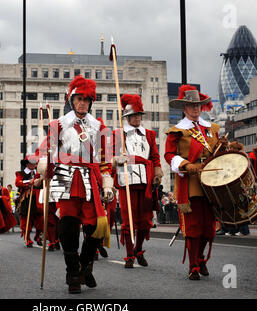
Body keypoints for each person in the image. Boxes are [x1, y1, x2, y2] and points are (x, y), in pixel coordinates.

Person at [37, 75, 113, 294]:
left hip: (90, 177)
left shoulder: (98, 126)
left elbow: (105, 158)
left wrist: (107, 183)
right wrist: (45, 160)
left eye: (86, 100)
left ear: (91, 102)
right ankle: (73, 274)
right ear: (72, 100)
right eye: (79, 99)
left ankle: (84, 265)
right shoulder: (57, 125)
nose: (82, 103)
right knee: (68, 226)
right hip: (65, 176)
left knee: (95, 228)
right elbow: (45, 151)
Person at [164, 85, 228, 280]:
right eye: (192, 106)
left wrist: (227, 147)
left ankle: (201, 258)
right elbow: (168, 155)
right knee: (193, 226)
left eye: (198, 106)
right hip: (191, 181)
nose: (196, 109)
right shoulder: (177, 131)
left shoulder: (211, 129)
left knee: (209, 227)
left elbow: (218, 152)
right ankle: (193, 265)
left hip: (211, 182)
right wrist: (186, 165)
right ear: (184, 108)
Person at [111, 94, 163, 268]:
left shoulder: (149, 134)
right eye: (133, 116)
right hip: (126, 180)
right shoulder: (118, 133)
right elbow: (111, 156)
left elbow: (154, 156)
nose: (137, 118)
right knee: (128, 219)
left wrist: (157, 172)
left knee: (145, 220)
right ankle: (129, 255)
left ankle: (138, 249)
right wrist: (118, 159)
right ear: (127, 117)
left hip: (146, 180)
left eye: (139, 115)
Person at [15, 155, 44, 247]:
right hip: (26, 198)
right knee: (26, 219)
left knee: (40, 219)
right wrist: (29, 182)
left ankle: (38, 235)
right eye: (31, 163)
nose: (33, 165)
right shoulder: (21, 173)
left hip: (38, 199)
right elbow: (17, 183)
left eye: (34, 163)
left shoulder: (39, 173)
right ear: (27, 164)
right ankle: (27, 238)